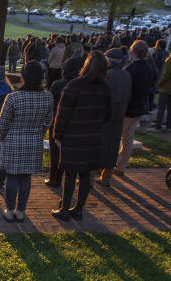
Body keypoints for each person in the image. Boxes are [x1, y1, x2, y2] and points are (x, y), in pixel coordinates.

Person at [51, 51, 112, 221]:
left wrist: (58, 134)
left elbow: (62, 114)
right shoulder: (105, 88)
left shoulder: (74, 86)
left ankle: (64, 208)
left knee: (70, 173)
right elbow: (108, 114)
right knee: (85, 174)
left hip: (73, 136)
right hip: (93, 136)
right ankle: (78, 209)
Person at [0, 61, 52, 221]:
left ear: (24, 77)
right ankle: (21, 211)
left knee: (12, 177)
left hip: (13, 141)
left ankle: (9, 209)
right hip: (34, 141)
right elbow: (47, 122)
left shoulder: (14, 97)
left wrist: (2, 137)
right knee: (26, 177)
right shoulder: (47, 97)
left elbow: (2, 124)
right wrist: (38, 134)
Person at [117, 41, 155, 176]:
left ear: (133, 52)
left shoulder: (130, 69)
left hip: (127, 108)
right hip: (139, 106)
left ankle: (109, 166)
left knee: (117, 138)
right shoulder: (149, 69)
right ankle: (121, 166)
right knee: (128, 138)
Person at [97, 49, 132, 186]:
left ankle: (93, 176)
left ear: (109, 60)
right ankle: (107, 176)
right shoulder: (126, 75)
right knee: (113, 145)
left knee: (100, 145)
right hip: (120, 114)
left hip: (106, 115)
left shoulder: (106, 75)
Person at [46, 56, 81, 187]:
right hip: (74, 123)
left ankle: (54, 177)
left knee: (55, 151)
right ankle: (63, 176)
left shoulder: (58, 84)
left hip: (57, 120)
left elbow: (51, 102)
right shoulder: (81, 85)